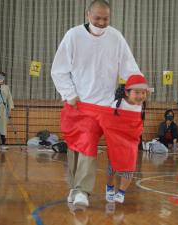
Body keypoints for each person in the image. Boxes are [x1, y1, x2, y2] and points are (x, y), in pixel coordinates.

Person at [51, 0, 141, 207]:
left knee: (89, 145)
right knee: (77, 147)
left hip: (107, 106)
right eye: (97, 18)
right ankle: (75, 188)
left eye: (106, 18)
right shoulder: (73, 36)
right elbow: (58, 70)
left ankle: (83, 190)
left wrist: (139, 89)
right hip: (80, 104)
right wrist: (69, 94)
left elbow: (130, 68)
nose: (101, 22)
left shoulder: (116, 37)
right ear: (87, 15)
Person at [106, 74, 148, 204]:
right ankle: (109, 187)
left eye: (143, 92)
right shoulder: (117, 105)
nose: (141, 96)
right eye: (137, 92)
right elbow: (107, 122)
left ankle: (122, 191)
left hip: (131, 143)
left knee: (129, 169)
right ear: (127, 92)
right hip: (116, 142)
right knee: (112, 167)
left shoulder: (141, 106)